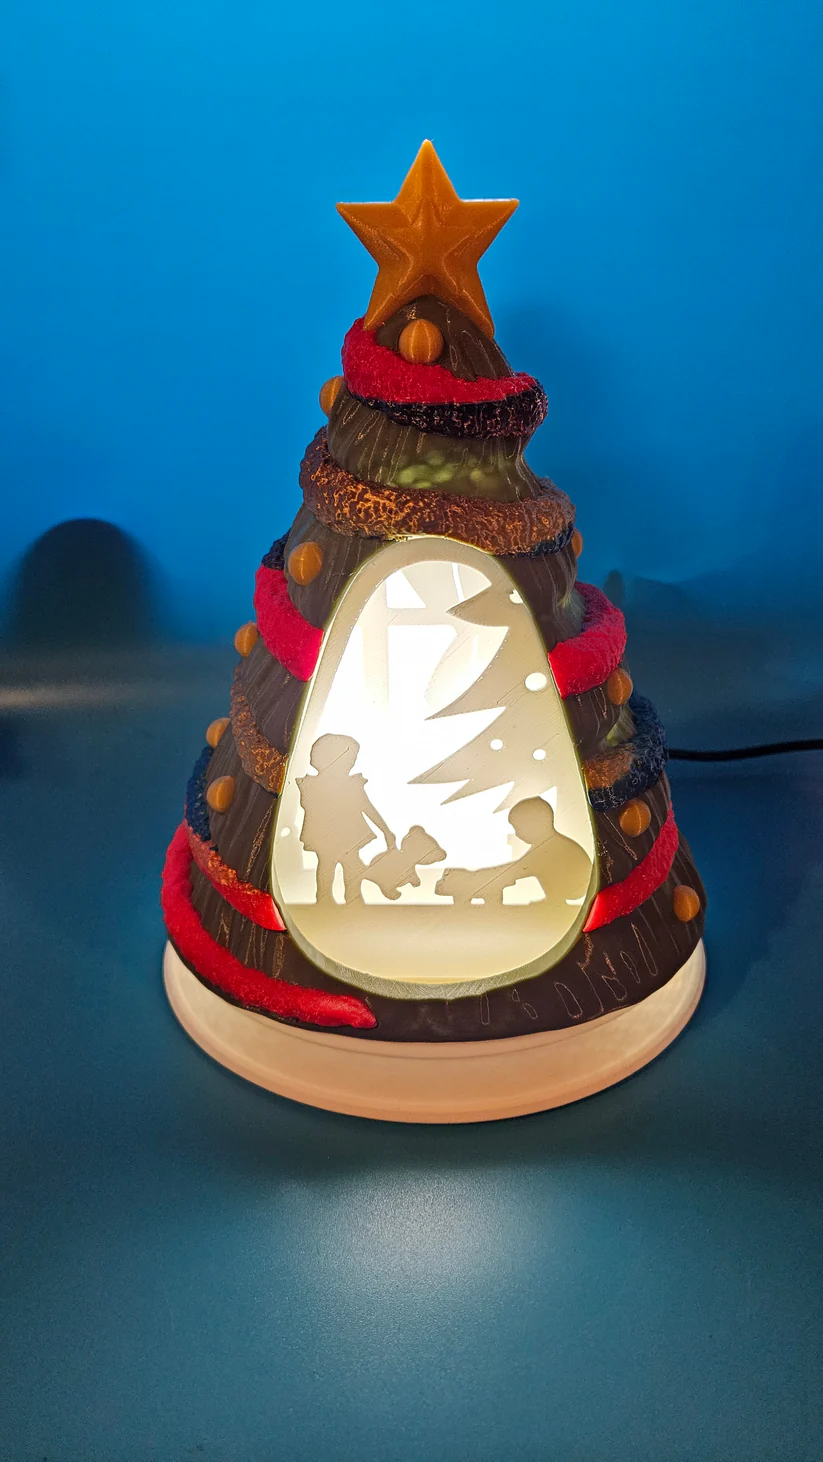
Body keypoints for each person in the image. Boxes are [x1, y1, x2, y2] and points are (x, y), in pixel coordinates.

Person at [435, 797, 591, 909]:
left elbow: (512, 871)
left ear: (537, 823)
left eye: (519, 828)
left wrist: (473, 877)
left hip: (577, 887)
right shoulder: (551, 844)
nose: (517, 834)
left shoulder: (548, 849)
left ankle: (555, 902)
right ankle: (555, 901)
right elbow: (513, 870)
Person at [297, 734, 395, 902]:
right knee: (328, 865)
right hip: (327, 836)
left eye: (353, 758)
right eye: (350, 758)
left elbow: (366, 807)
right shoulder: (311, 785)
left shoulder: (351, 784)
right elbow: (310, 807)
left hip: (347, 836)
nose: (352, 762)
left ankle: (352, 898)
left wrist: (385, 830)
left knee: (350, 866)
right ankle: (325, 899)